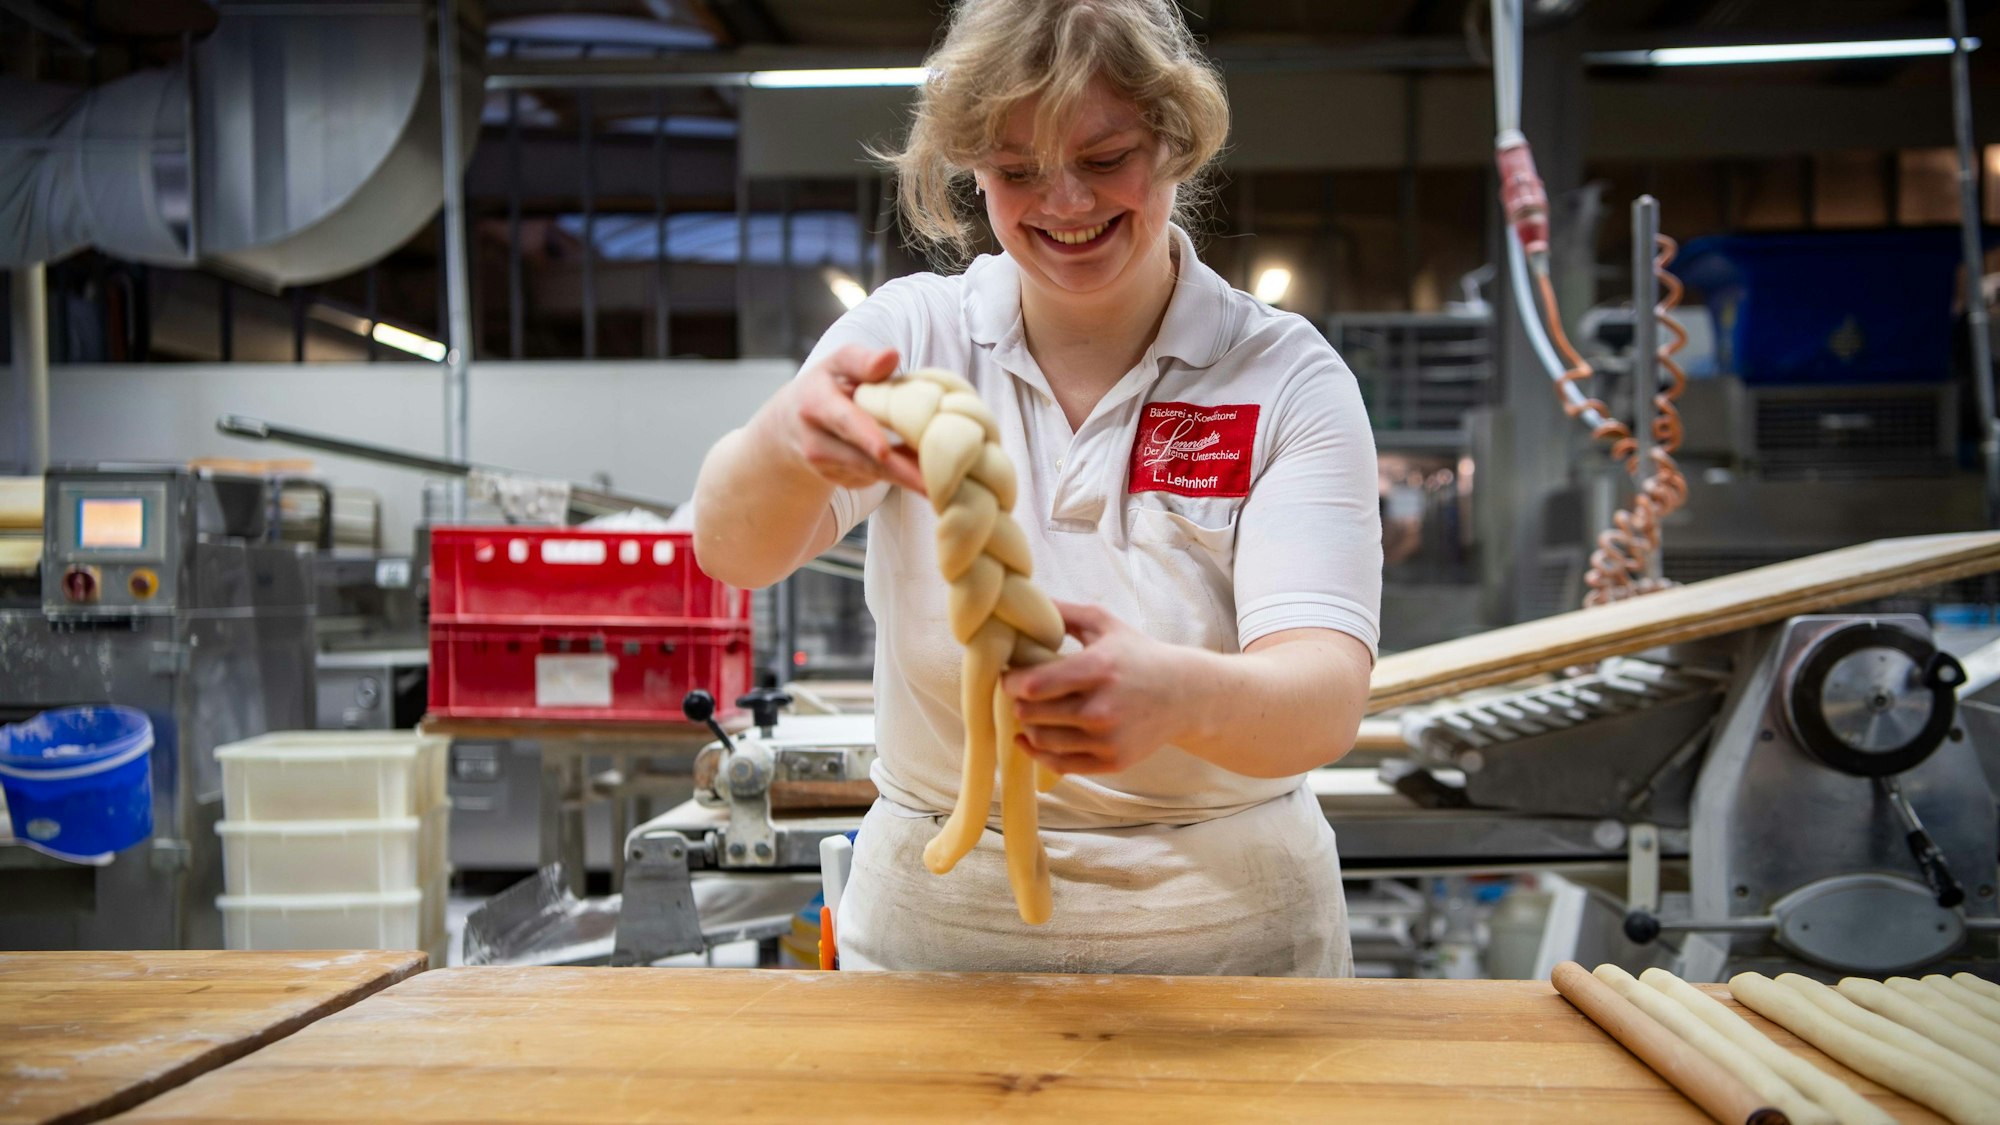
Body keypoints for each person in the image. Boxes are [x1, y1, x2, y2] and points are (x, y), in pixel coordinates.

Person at [693, 0, 1381, 976]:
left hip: (1232, 957)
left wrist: (1181, 694)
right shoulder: (915, 339)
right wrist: (780, 441)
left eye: (1104, 160)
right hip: (938, 952)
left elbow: (1322, 697)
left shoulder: (1277, 376)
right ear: (972, 168)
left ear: (1173, 143)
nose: (1062, 202)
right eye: (1016, 170)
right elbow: (733, 551)